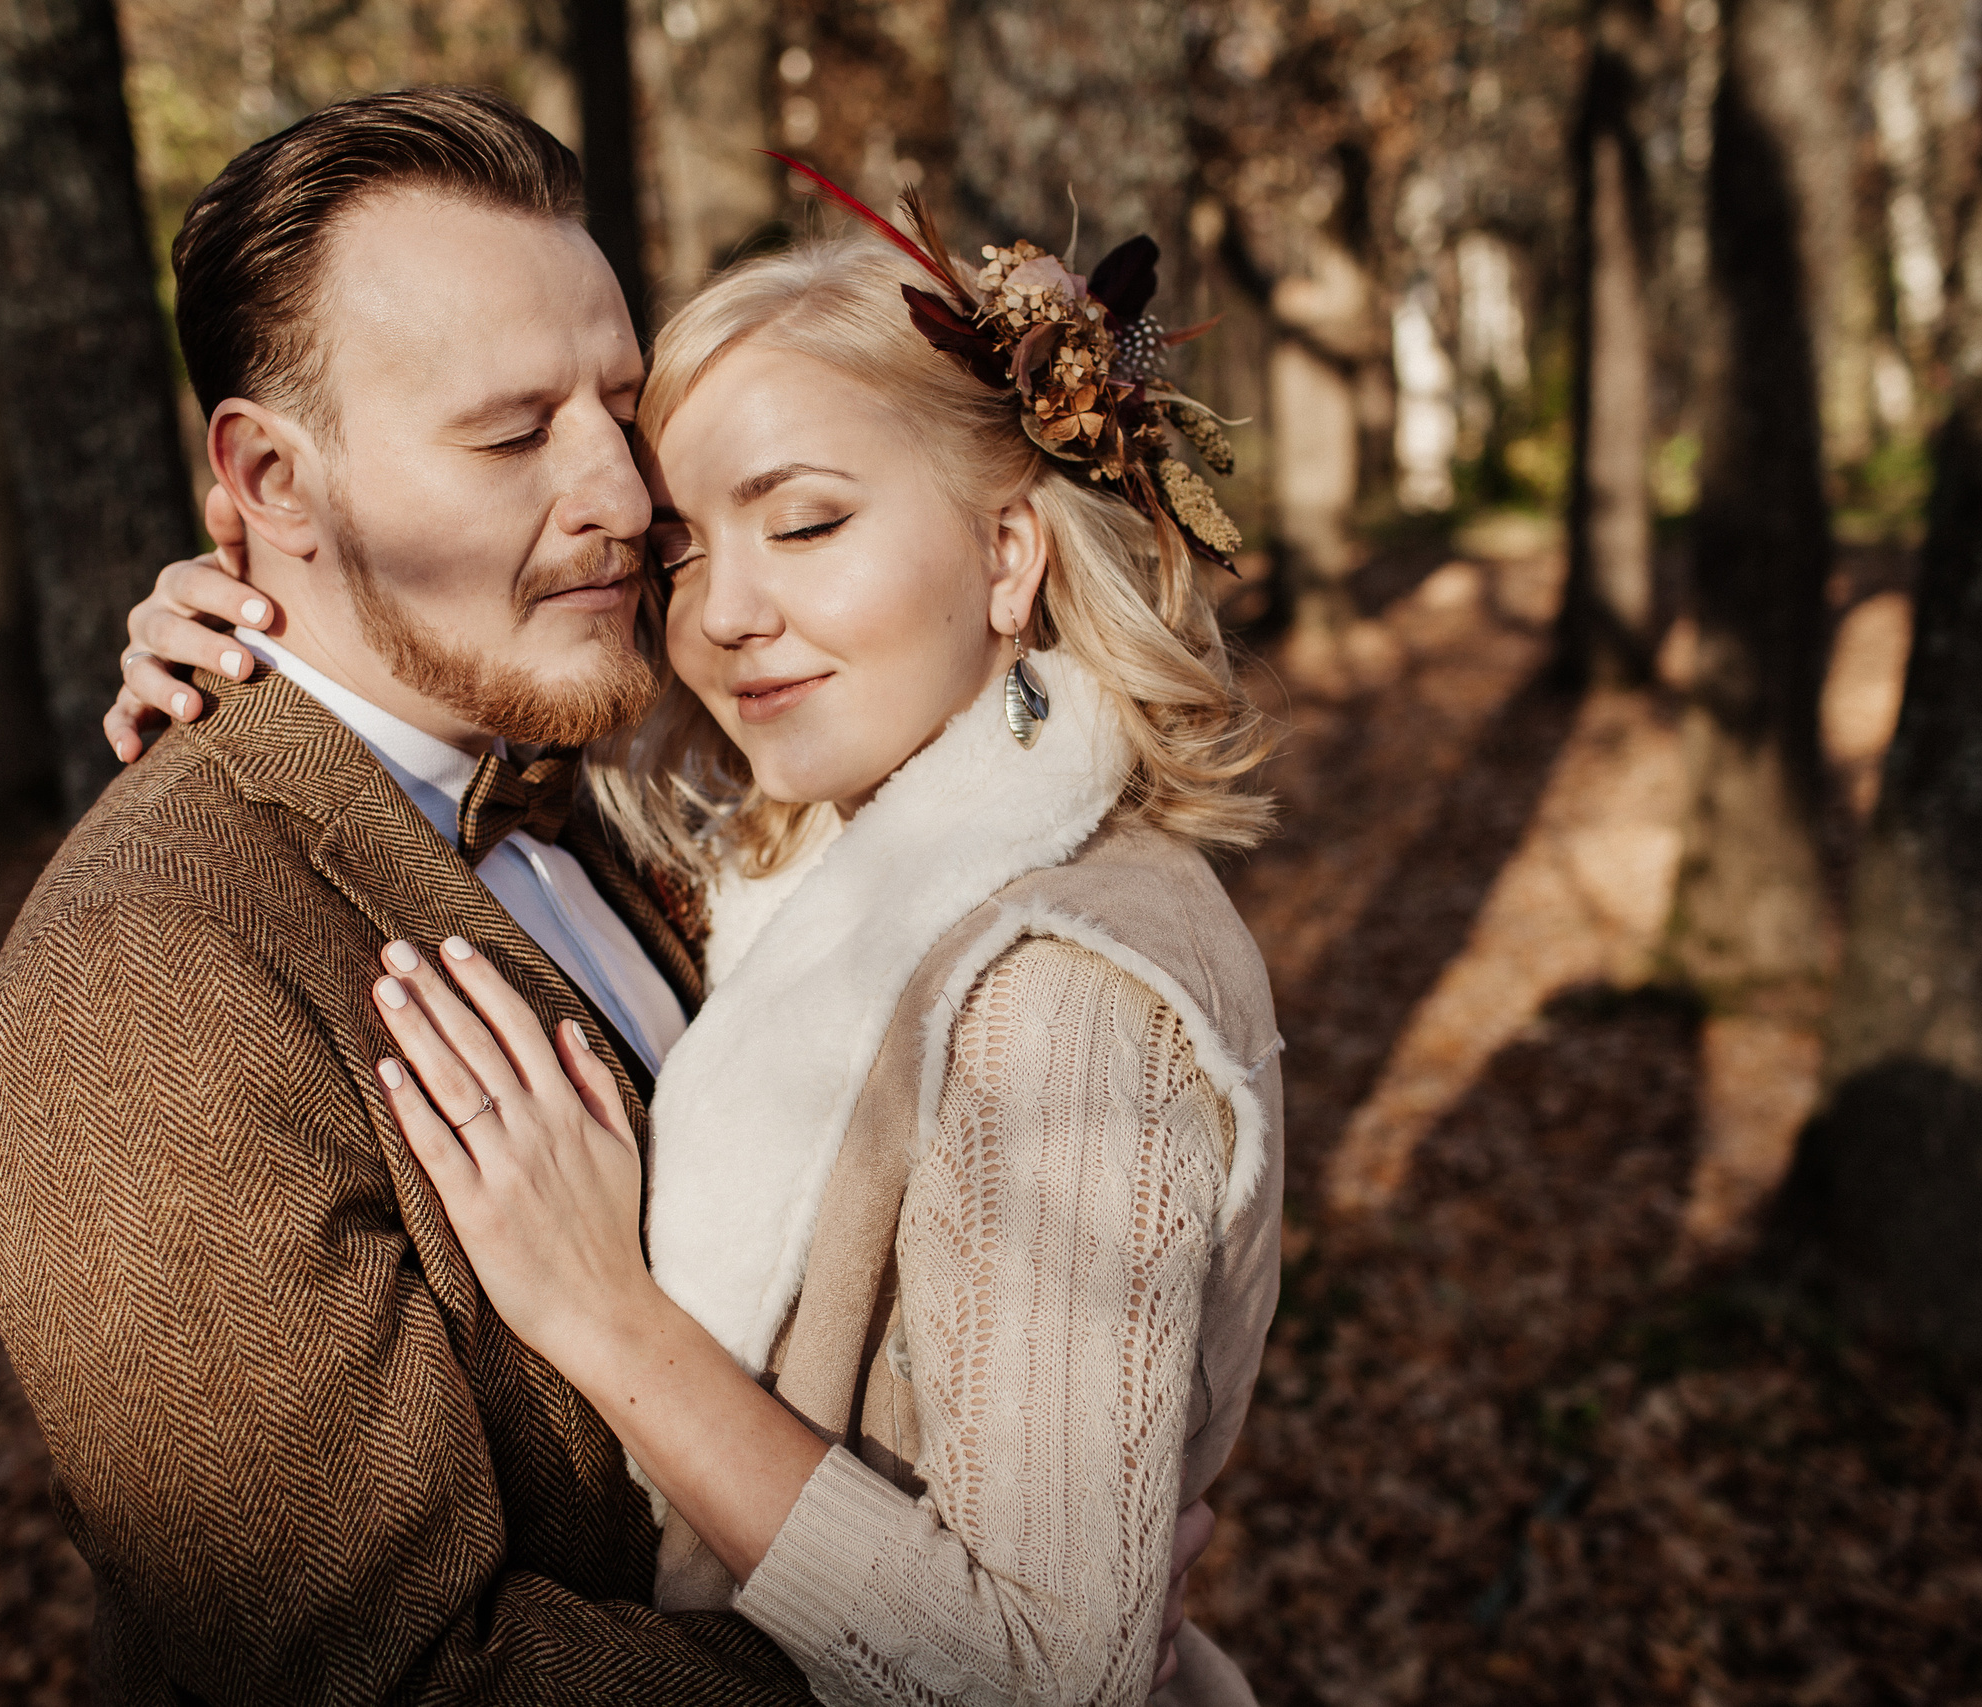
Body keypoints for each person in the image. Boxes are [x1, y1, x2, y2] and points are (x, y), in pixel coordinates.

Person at [112, 153, 1285, 1703]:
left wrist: (610, 1322)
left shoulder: (1055, 994)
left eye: (804, 525)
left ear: (1010, 554)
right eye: (682, 550)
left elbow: (1041, 1678)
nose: (720, 614)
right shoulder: (788, 859)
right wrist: (269, 596)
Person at [0, 87, 815, 1703]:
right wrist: (944, 1647)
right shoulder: (145, 982)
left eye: (619, 409)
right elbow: (393, 1677)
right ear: (269, 482)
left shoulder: (604, 774)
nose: (624, 498)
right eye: (509, 435)